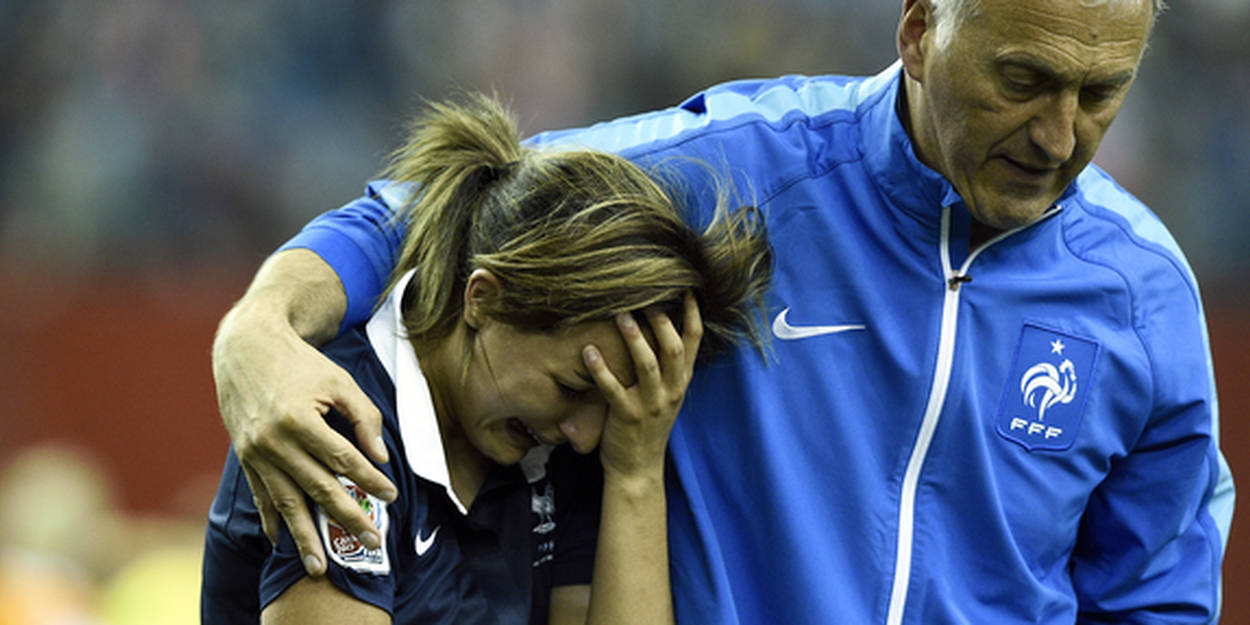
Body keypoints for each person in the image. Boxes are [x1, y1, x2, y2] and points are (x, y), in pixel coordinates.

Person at [211, 0, 1236, 622]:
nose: (1059, 135)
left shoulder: (1142, 298)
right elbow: (448, 202)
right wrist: (258, 331)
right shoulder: (740, 167)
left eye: (1101, 92)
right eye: (1023, 79)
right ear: (921, 29)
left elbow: (1150, 600)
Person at [201, 94, 772, 624]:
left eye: (608, 404)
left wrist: (635, 473)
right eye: (573, 386)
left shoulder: (559, 449)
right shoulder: (341, 427)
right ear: (484, 298)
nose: (583, 435)